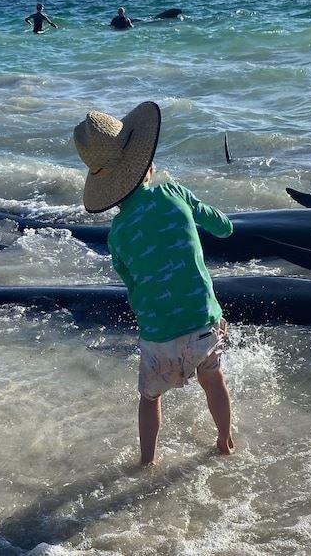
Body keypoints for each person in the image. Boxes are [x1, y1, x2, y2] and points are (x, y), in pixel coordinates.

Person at [73, 102, 235, 466]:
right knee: (213, 380)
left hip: (158, 335)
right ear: (146, 164)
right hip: (202, 324)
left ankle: (147, 460)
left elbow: (131, 280)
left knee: (149, 398)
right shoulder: (174, 193)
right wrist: (221, 225)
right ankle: (224, 441)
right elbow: (223, 226)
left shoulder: (117, 234)